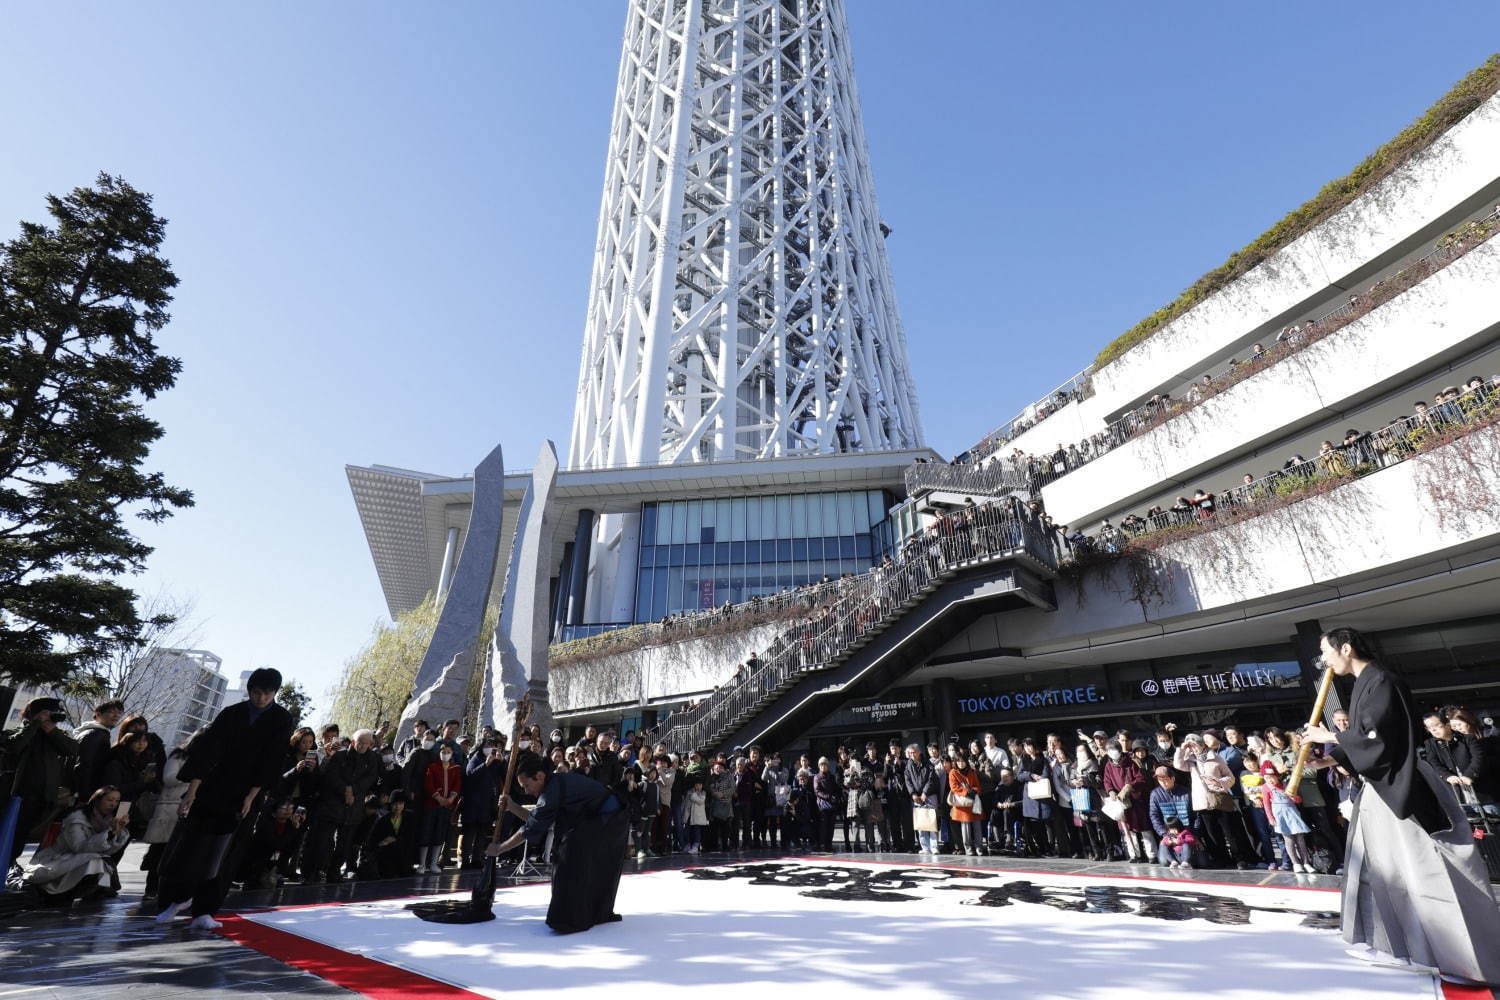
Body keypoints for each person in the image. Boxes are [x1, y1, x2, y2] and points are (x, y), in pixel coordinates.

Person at [1304, 627, 1500, 985]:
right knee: (1378, 868)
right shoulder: (1366, 682)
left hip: (1401, 783)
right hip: (1381, 787)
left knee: (1423, 869)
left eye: (1325, 653)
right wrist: (1328, 761)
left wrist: (1328, 736)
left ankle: (1469, 957)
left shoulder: (1381, 680)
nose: (1324, 661)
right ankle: (1392, 943)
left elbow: (1377, 739)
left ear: (1346, 648)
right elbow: (1367, 738)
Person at [154, 668, 294, 930]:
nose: (261, 698)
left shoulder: (281, 719)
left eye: (266, 693)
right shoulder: (231, 714)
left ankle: (205, 910)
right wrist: (193, 791)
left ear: (274, 693)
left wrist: (253, 796)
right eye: (256, 692)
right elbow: (207, 751)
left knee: (224, 854)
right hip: (212, 787)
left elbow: (272, 761)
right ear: (249, 690)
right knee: (189, 848)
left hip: (245, 794)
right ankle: (175, 900)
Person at [485, 751, 628, 935]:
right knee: (572, 858)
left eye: (527, 785)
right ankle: (589, 914)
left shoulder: (552, 790)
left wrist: (500, 849)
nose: (526, 791)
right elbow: (537, 821)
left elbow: (530, 829)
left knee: (571, 861)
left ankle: (572, 919)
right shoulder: (553, 786)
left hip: (610, 820)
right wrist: (512, 807)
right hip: (600, 820)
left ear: (540, 776)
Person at [0, 697, 80, 870]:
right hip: (13, 798)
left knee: (18, 842)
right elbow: (14, 746)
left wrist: (51, 730)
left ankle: (6, 870)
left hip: (41, 800)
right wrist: (34, 724)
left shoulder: (53, 738)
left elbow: (73, 749)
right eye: (47, 714)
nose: (51, 718)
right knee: (5, 837)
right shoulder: (17, 732)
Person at [21, 785, 131, 903]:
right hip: (59, 857)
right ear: (97, 800)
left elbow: (107, 850)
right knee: (96, 861)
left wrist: (116, 832)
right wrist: (109, 833)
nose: (113, 804)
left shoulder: (108, 820)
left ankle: (91, 890)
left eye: (116, 801)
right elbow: (78, 847)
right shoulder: (77, 818)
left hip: (80, 857)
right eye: (109, 800)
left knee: (101, 861)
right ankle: (65, 892)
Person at [418, 742, 463, 873]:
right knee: (427, 832)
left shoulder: (455, 768)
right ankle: (421, 864)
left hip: (447, 807)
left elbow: (457, 785)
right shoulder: (432, 767)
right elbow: (428, 784)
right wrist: (438, 798)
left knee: (439, 833)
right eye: (443, 752)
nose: (446, 754)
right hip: (431, 805)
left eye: (448, 752)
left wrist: (450, 799)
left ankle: (433, 863)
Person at [70, 699, 123, 799]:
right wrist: (83, 795)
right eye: (112, 712)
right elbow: (83, 765)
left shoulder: (91, 732)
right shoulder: (96, 734)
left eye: (119, 713)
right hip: (81, 793)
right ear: (98, 714)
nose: (116, 716)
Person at [948, 754, 982, 855]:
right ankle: (968, 848)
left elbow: (977, 785)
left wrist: (974, 791)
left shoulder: (972, 771)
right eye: (958, 761)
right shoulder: (953, 772)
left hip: (973, 801)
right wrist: (967, 792)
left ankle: (979, 847)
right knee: (965, 826)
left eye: (963, 761)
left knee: (977, 825)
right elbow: (954, 787)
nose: (961, 764)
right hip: (962, 803)